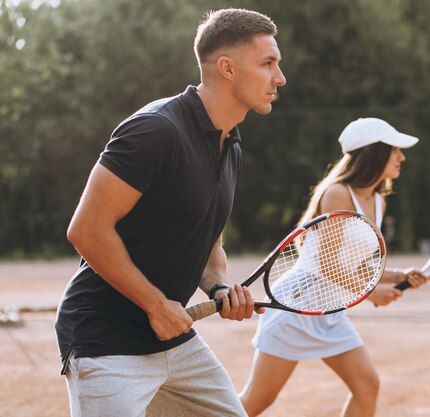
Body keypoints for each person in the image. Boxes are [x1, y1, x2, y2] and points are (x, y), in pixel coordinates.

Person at [54, 8, 286, 417]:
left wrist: (218, 287)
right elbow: (86, 231)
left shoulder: (230, 146)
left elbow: (207, 235)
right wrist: (157, 306)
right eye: (268, 63)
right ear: (227, 68)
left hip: (174, 340)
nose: (279, 77)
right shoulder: (155, 131)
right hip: (106, 339)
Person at [239, 117, 430, 417]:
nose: (401, 157)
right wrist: (372, 295)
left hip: (330, 310)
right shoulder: (338, 193)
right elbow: (328, 265)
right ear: (375, 153)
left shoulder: (378, 201)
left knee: (367, 385)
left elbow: (358, 266)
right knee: (256, 401)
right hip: (295, 306)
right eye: (395, 150)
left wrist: (399, 275)